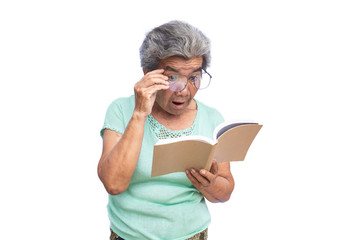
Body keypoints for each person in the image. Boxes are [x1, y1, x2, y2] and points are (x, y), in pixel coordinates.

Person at [98, 20, 235, 240]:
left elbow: (225, 192)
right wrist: (140, 113)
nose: (184, 90)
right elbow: (113, 184)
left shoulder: (212, 118)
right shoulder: (121, 111)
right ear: (148, 75)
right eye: (172, 78)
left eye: (194, 78)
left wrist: (210, 184)